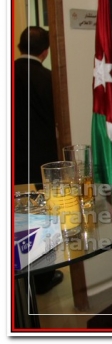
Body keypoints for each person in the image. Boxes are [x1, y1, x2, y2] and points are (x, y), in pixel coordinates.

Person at [14, 26, 64, 294]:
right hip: (41, 161)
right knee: (41, 219)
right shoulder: (49, 79)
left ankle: (17, 278)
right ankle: (42, 279)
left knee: (16, 218)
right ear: (46, 51)